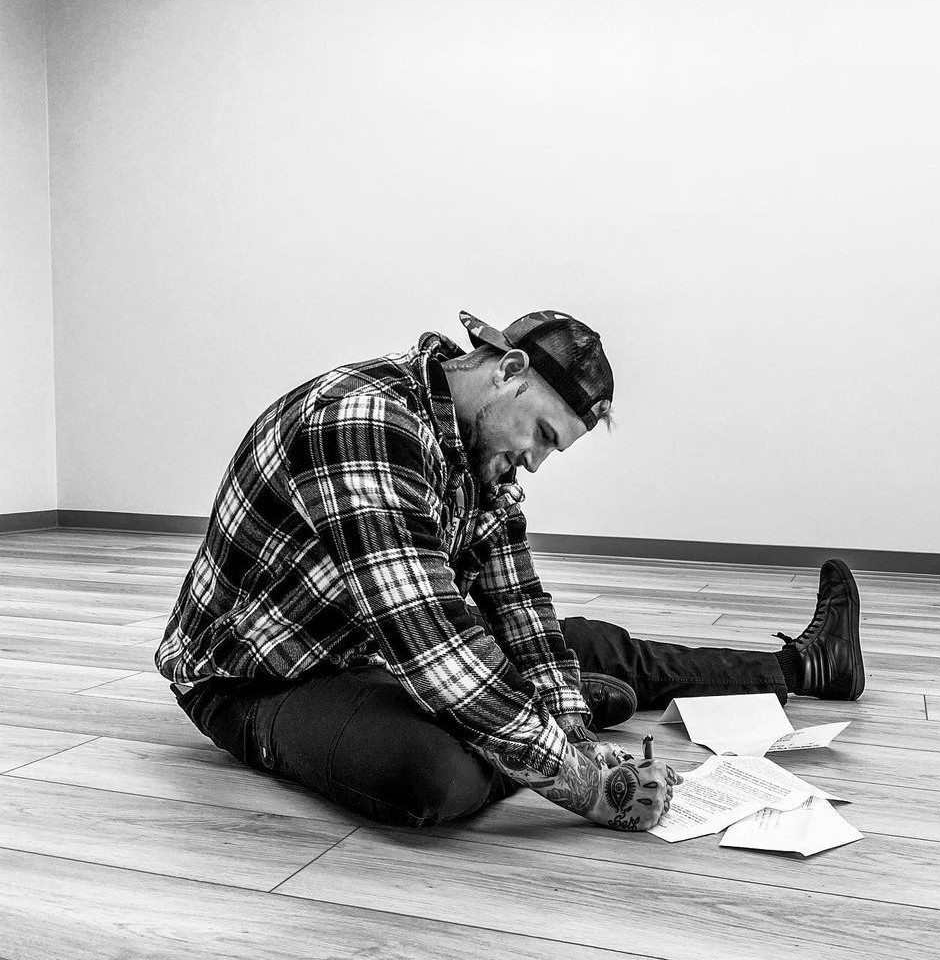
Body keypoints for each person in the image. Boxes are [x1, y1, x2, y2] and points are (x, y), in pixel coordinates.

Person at [155, 310, 863, 832]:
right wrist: (586, 784)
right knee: (432, 775)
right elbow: (433, 643)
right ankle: (512, 724)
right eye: (544, 435)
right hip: (261, 680)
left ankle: (804, 667)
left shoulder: (478, 454)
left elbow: (519, 607)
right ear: (508, 370)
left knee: (583, 645)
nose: (535, 462)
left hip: (379, 649)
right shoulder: (362, 420)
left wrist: (576, 736)